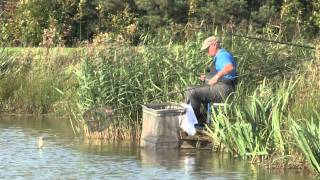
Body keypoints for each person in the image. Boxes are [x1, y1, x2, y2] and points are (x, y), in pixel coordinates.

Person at [185, 36, 237, 124]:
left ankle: (193, 122)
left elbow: (229, 67)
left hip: (224, 88)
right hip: (222, 87)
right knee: (192, 89)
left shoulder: (223, 55)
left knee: (191, 91)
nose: (207, 52)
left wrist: (216, 77)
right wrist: (206, 78)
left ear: (215, 45)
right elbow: (220, 73)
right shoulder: (219, 56)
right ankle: (200, 118)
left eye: (207, 49)